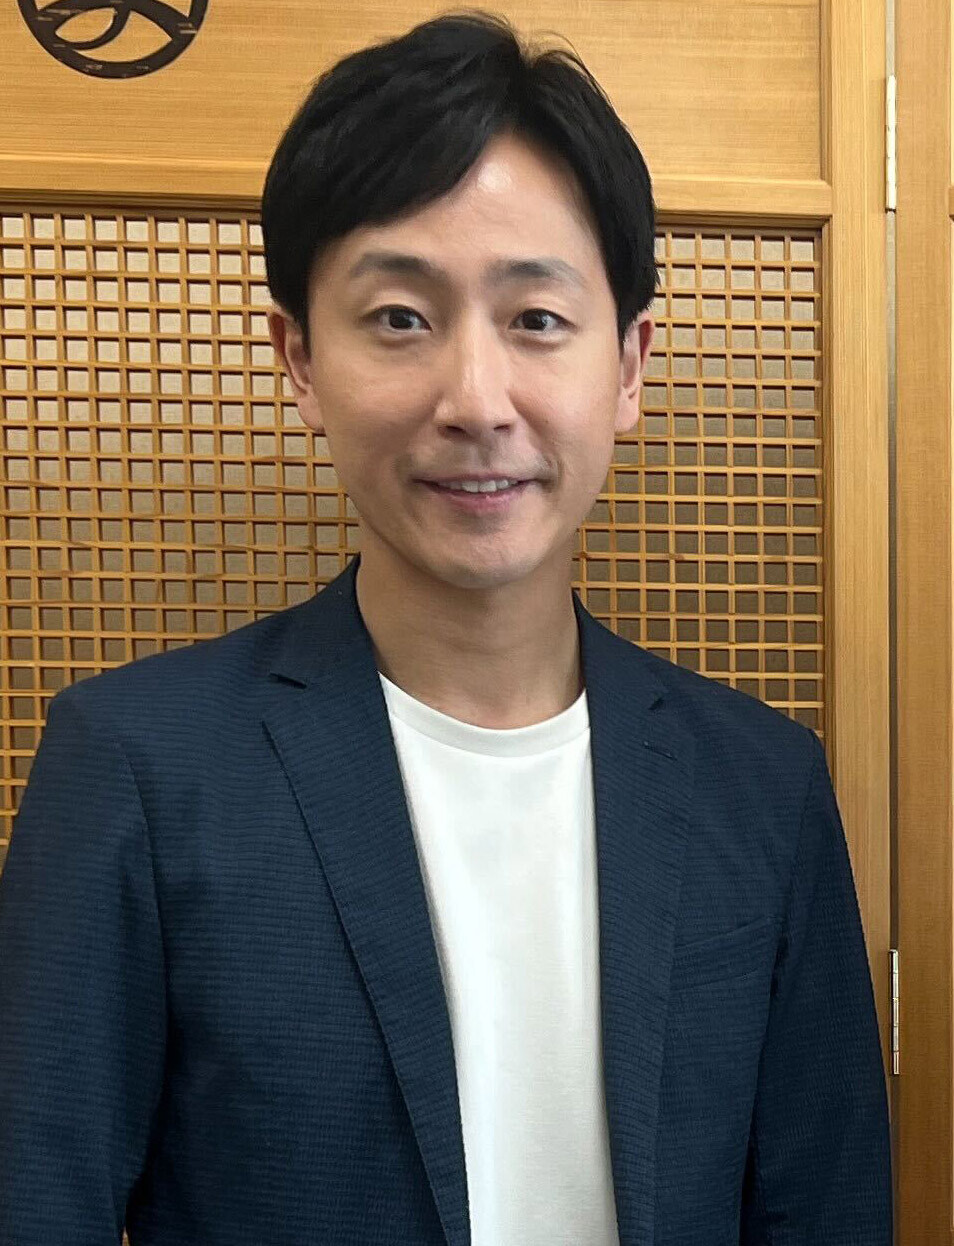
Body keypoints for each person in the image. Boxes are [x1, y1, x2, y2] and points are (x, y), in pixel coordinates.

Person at [0, 9, 892, 1245]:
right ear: (299, 359)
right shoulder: (137, 769)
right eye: (400, 318)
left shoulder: (763, 788)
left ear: (630, 365)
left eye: (536, 320)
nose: (476, 401)